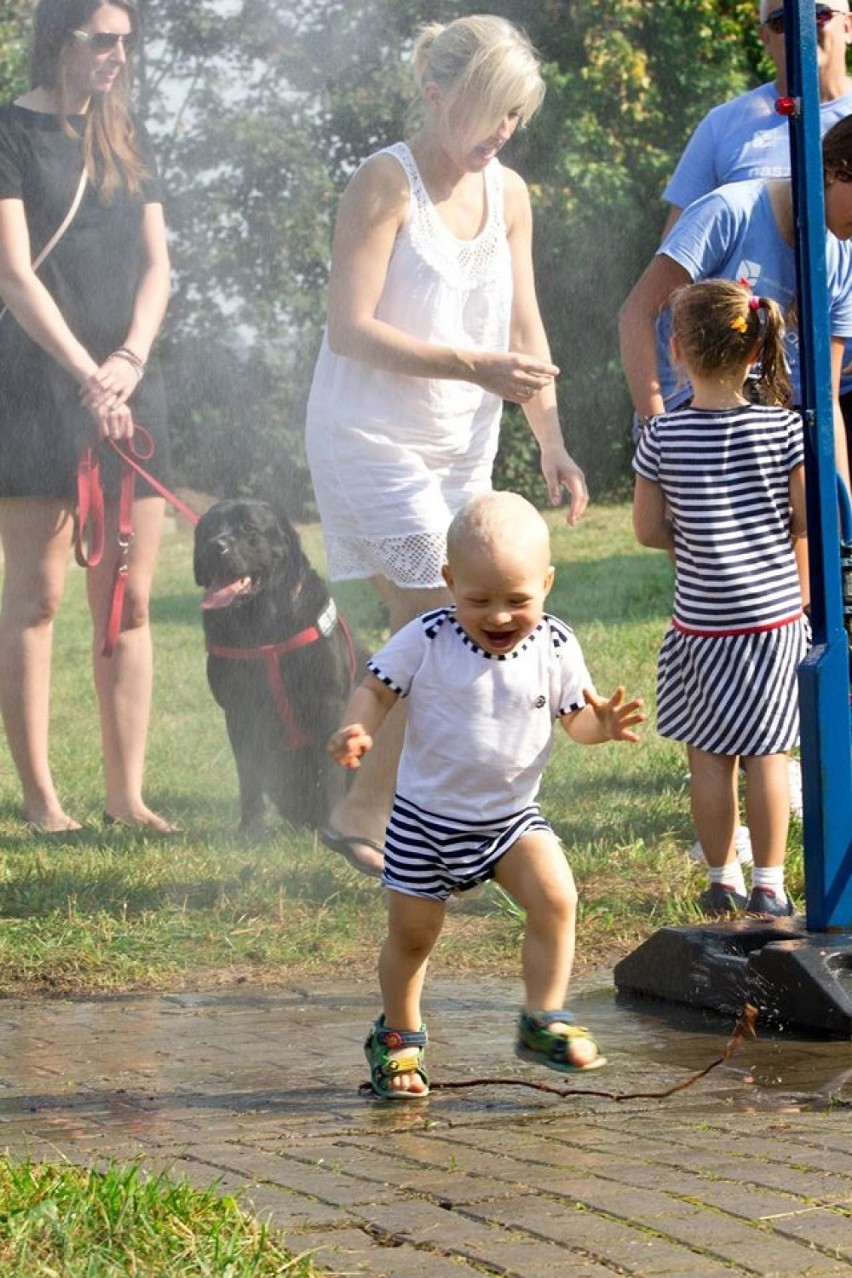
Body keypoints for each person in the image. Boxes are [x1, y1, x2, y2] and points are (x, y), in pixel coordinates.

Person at [306, 15, 588, 878]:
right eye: (489, 112)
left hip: (463, 441)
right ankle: (370, 815)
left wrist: (553, 442)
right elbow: (349, 330)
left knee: (438, 627)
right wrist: (474, 364)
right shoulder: (383, 183)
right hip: (370, 433)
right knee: (438, 621)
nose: (502, 133)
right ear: (436, 97)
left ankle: (404, 818)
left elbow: (522, 326)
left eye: (515, 118)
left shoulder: (510, 195)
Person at [327, 491, 643, 1098]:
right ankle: (397, 1038)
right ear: (448, 582)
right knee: (413, 937)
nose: (499, 616)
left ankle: (542, 1017)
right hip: (424, 824)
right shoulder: (427, 637)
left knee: (556, 897)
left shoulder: (554, 645)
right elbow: (376, 687)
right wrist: (359, 725)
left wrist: (599, 726)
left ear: (547, 584)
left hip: (509, 822)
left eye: (518, 600)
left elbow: (576, 717)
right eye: (479, 600)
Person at [0, 0, 175, 834]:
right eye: (101, 39)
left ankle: (126, 797)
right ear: (57, 39)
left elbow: (157, 268)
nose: (116, 55)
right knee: (36, 599)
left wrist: (129, 362)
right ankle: (41, 802)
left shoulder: (127, 138)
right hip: (36, 387)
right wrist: (86, 376)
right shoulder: (7, 132)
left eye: (125, 42)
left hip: (130, 387)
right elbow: (12, 274)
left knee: (128, 602)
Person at [633, 279, 810, 919]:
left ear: (676, 350)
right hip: (772, 623)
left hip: (702, 628)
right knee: (769, 756)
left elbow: (648, 528)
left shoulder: (661, 437)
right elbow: (802, 517)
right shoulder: (786, 430)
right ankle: (769, 883)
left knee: (709, 761)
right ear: (757, 349)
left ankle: (721, 879)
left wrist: (695, 530)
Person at [619, 115, 852, 492]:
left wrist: (845, 520)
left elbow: (826, 402)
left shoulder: (841, 258)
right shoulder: (730, 211)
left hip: (771, 433)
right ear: (837, 172)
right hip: (690, 421)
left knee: (797, 548)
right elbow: (636, 313)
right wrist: (657, 433)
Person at [661, 0, 852, 241]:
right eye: (782, 21)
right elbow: (677, 242)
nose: (802, 28)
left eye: (818, 15)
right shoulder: (722, 124)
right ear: (765, 39)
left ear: (848, 26)